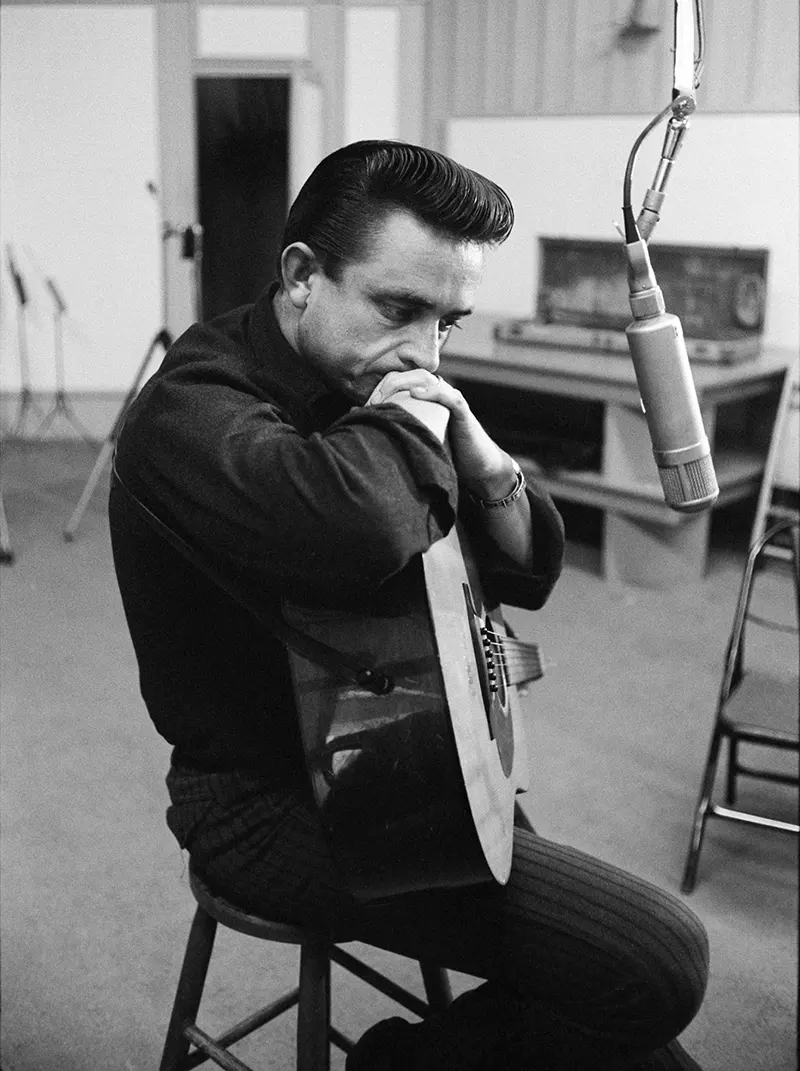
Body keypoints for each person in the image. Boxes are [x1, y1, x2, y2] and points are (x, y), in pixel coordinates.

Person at [109, 140, 708, 1070]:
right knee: (660, 961)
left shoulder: (378, 382)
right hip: (265, 804)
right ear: (301, 276)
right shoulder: (190, 409)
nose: (426, 353)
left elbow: (528, 568)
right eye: (398, 310)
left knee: (613, 998)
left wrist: (488, 462)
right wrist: (421, 420)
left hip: (406, 746)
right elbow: (353, 526)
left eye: (447, 323)